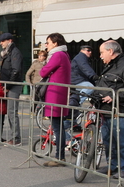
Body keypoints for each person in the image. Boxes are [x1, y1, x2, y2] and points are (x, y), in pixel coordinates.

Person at [94, 40, 124, 179]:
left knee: (122, 140)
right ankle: (112, 165)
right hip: (106, 110)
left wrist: (114, 97)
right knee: (108, 140)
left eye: (102, 52)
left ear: (110, 51)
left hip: (119, 110)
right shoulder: (111, 65)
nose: (100, 56)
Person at [40, 32, 71, 167]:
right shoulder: (63, 54)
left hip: (55, 95)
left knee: (58, 128)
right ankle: (60, 156)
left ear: (55, 43)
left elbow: (43, 72)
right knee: (58, 127)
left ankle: (59, 157)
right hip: (59, 95)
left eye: (48, 42)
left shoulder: (57, 55)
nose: (46, 45)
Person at [0, 33, 23, 146]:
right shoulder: (7, 53)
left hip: (14, 85)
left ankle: (16, 138)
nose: (1, 43)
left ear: (9, 40)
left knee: (12, 112)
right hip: (9, 84)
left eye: (3, 41)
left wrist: (8, 85)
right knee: (10, 112)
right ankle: (14, 136)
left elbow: (15, 70)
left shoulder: (14, 52)